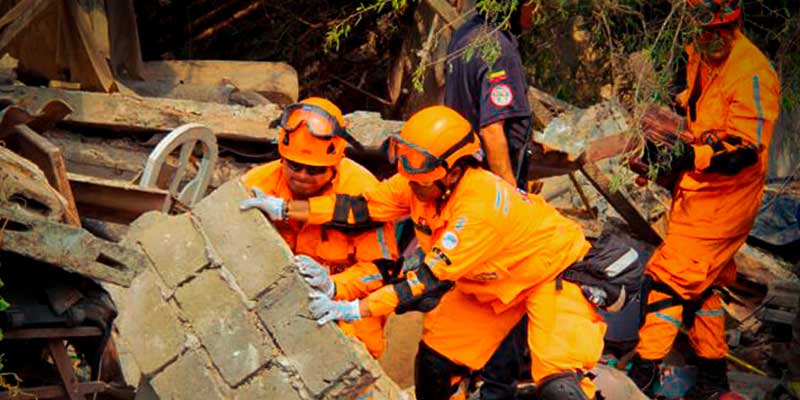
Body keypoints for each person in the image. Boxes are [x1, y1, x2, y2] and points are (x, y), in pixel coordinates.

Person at [246, 105, 607, 400]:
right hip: (494, 280)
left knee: (560, 384)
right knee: (436, 364)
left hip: (554, 273)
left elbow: (424, 280)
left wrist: (354, 307)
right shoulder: (417, 183)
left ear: (453, 170)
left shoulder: (478, 210)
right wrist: (285, 210)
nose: (412, 187)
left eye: (421, 180)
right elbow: (360, 208)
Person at [627, 1, 780, 398]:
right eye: (703, 32)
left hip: (728, 200)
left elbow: (747, 151)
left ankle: (640, 375)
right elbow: (693, 106)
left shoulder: (753, 75)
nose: (710, 41)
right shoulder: (699, 52)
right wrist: (665, 145)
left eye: (719, 32)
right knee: (703, 285)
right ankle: (714, 381)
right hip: (698, 192)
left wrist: (690, 155)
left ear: (736, 23)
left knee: (666, 280)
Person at [239, 97, 398, 400]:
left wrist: (333, 287)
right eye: (295, 166)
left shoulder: (363, 194)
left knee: (348, 371)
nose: (301, 176)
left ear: (335, 162)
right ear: (282, 156)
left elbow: (381, 270)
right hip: (272, 300)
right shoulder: (258, 185)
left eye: (314, 170)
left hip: (343, 308)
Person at [444, 3, 534, 189]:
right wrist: (511, 197)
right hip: (488, 182)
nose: (536, 10)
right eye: (532, 3)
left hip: (464, 172)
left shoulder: (464, 34)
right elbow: (492, 131)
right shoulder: (498, 50)